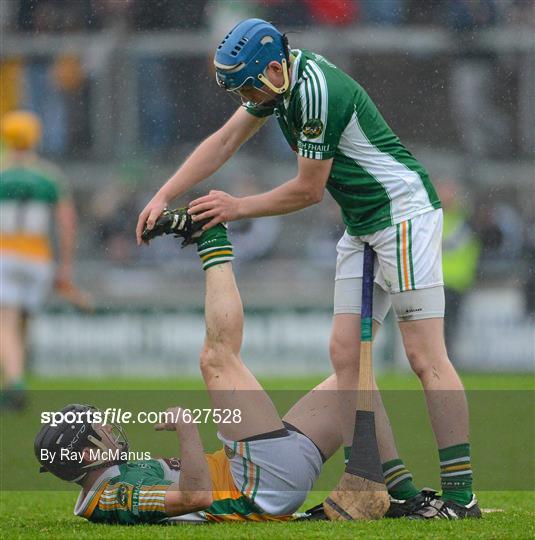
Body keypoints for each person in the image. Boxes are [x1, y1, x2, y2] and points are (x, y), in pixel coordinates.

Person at [136, 19, 481, 519]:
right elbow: (225, 140)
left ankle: (460, 495)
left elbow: (308, 190)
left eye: (250, 85)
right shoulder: (276, 85)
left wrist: (236, 207)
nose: (248, 96)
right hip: (363, 223)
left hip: (403, 214)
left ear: (275, 67)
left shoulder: (317, 92)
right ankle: (397, 493)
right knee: (345, 357)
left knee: (424, 356)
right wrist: (163, 193)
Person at [35, 216, 349, 523]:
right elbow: (194, 497)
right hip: (256, 487)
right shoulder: (112, 496)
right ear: (89, 454)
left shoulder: (113, 479)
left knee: (351, 376)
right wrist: (187, 428)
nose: (107, 424)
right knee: (216, 358)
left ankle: (392, 488)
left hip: (262, 474)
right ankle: (212, 238)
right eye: (98, 426)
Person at [0, 110, 77, 408]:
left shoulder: (2, 173)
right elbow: (66, 223)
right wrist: (65, 265)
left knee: (5, 321)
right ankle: (14, 376)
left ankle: (15, 380)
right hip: (37, 258)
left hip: (4, 254)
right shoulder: (49, 177)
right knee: (21, 321)